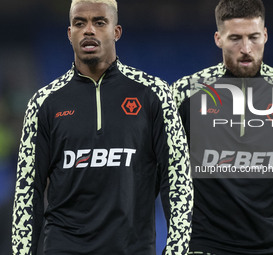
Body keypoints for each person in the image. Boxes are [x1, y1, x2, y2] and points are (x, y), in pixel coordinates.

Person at [12, 0, 193, 254]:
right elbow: (27, 192)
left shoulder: (154, 94)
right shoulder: (43, 103)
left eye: (99, 22)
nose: (89, 30)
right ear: (69, 33)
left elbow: (177, 179)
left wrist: (177, 249)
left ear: (116, 31)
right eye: (79, 23)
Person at [171, 0, 273, 254]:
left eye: (254, 37)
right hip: (205, 245)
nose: (246, 48)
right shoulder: (186, 92)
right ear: (218, 38)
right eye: (235, 38)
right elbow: (157, 169)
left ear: (266, 35)